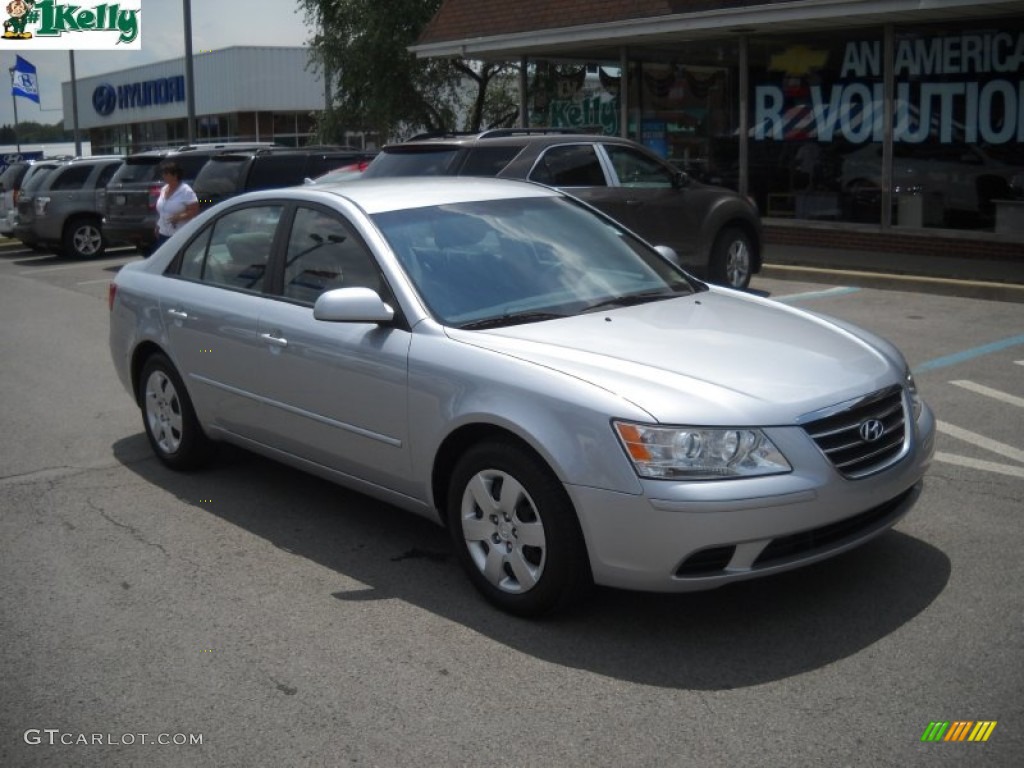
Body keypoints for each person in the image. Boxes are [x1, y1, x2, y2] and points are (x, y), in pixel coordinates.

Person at [152, 160, 199, 255]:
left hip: (179, 234)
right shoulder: (164, 189)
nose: (163, 176)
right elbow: (163, 210)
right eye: (163, 173)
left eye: (166, 174)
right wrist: (158, 225)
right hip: (163, 233)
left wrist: (180, 217)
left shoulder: (186, 191)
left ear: (175, 175)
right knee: (162, 260)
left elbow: (194, 210)